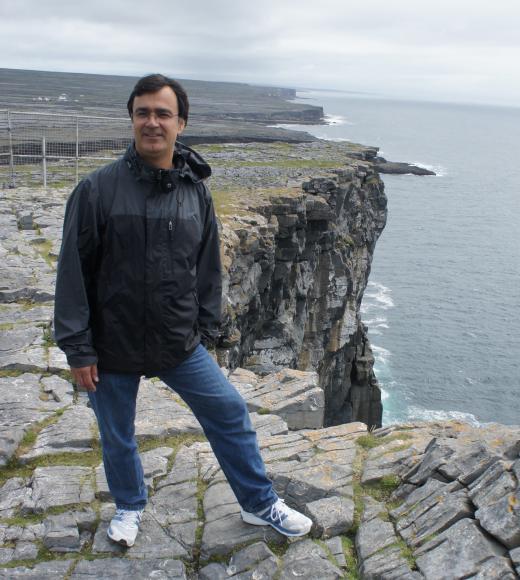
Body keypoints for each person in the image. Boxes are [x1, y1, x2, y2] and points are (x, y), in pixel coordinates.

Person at [54, 73, 312, 547]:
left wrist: (205, 329)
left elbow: (207, 264)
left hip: (178, 341)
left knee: (230, 412)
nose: (152, 122)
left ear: (181, 123)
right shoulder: (96, 190)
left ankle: (259, 504)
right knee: (117, 433)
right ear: (132, 119)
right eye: (143, 113)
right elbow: (71, 272)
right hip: (111, 344)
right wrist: (78, 347)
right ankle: (129, 507)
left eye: (163, 113)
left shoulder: (195, 191)